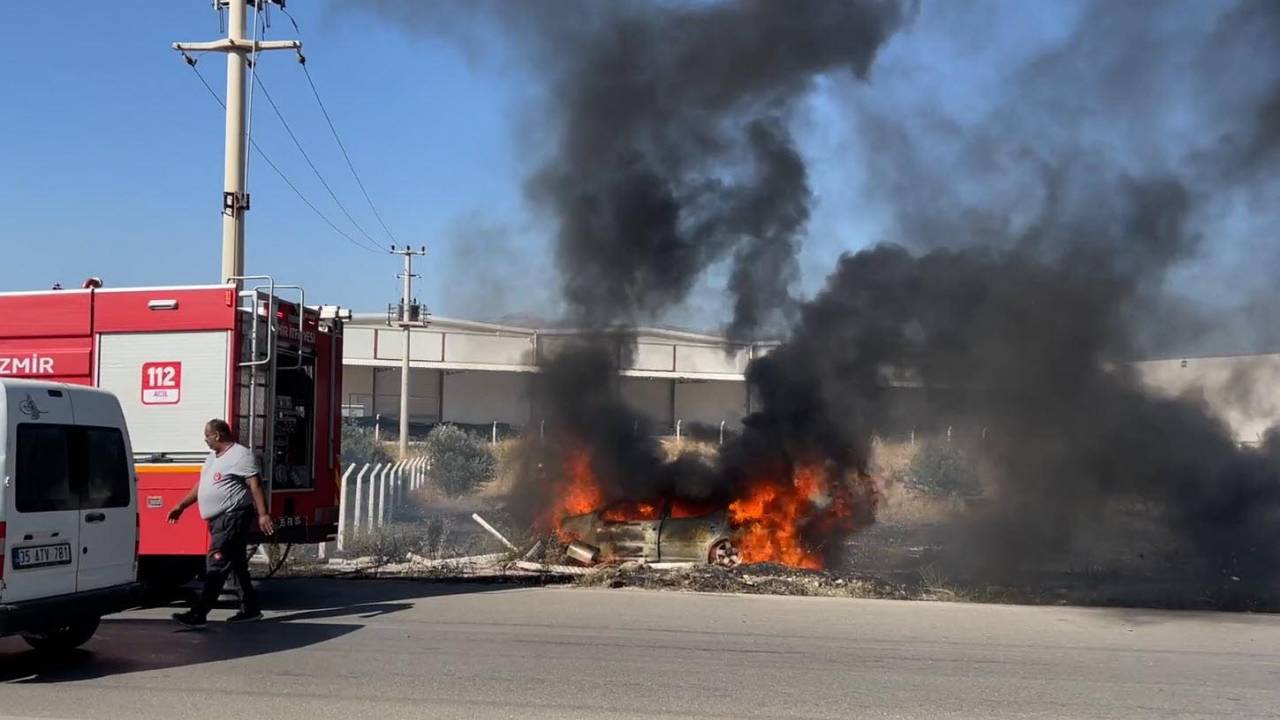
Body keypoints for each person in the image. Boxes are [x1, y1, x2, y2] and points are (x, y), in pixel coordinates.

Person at [167, 419, 274, 626]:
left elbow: (255, 484)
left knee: (216, 563)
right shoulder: (212, 457)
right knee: (236, 565)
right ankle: (250, 609)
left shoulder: (240, 455)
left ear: (217, 435)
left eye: (207, 436)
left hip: (231, 518)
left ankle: (198, 614)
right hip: (219, 520)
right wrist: (181, 505)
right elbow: (202, 484)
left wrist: (263, 514)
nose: (205, 440)